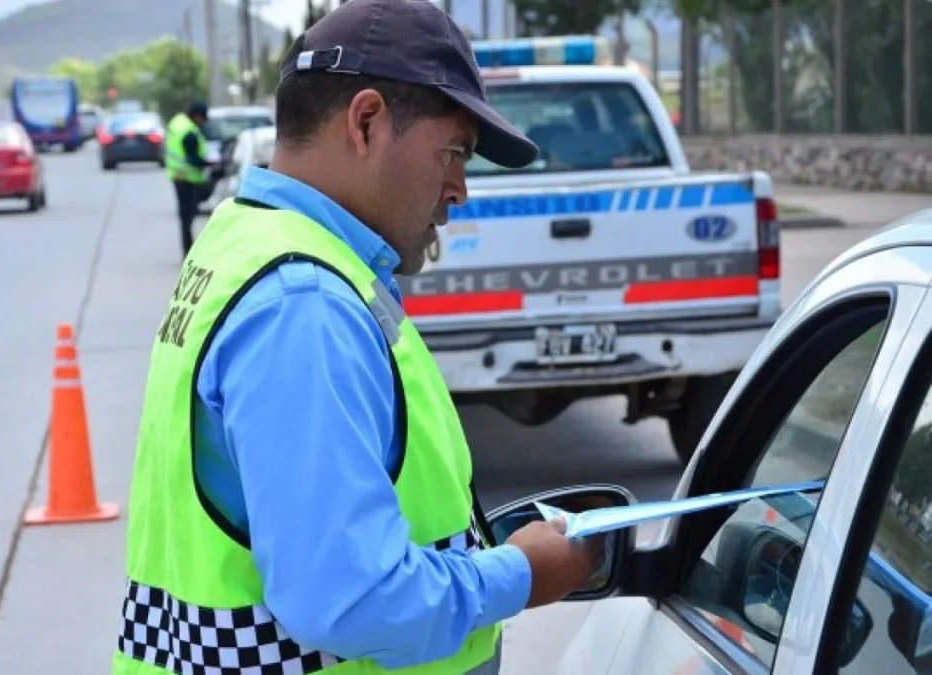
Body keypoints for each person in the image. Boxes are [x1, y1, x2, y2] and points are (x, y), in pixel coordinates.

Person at [115, 1, 605, 673]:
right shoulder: (303, 301)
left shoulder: (242, 239)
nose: (459, 188)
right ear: (366, 121)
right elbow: (354, 599)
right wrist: (521, 572)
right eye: (454, 152)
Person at [164, 102, 211, 256]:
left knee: (185, 217)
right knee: (187, 217)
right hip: (187, 178)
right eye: (203, 119)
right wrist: (210, 163)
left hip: (178, 175)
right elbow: (192, 158)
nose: (203, 123)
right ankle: (188, 252)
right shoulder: (189, 132)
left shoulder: (178, 123)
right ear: (197, 116)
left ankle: (187, 250)